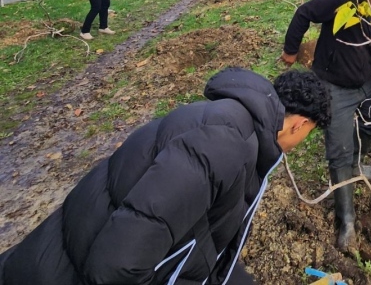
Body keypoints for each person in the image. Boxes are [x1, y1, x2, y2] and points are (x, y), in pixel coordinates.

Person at [0, 67, 331, 285]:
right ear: (299, 124)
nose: (301, 143)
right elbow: (116, 267)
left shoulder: (236, 132)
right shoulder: (223, 147)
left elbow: (203, 241)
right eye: (309, 133)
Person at [280, 0, 371, 253]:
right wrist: (291, 49)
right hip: (334, 86)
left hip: (366, 81)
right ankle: (347, 221)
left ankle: (356, 161)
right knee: (338, 152)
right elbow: (304, 13)